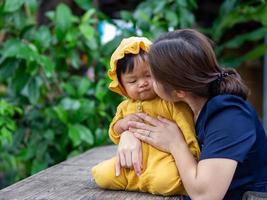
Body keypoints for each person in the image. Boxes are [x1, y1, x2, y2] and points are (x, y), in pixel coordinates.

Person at [125, 29, 267, 200]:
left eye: (152, 77)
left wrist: (175, 143)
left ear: (179, 91)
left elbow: (205, 195)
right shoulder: (185, 105)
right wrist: (128, 134)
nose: (147, 85)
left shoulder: (229, 116)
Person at [91, 36, 200, 196]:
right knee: (102, 175)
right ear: (121, 85)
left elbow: (187, 127)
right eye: (133, 81)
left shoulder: (170, 102)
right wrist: (123, 125)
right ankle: (135, 180)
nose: (142, 83)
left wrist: (192, 153)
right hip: (131, 163)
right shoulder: (125, 107)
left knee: (165, 180)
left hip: (162, 160)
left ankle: (148, 182)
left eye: (148, 75)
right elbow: (114, 132)